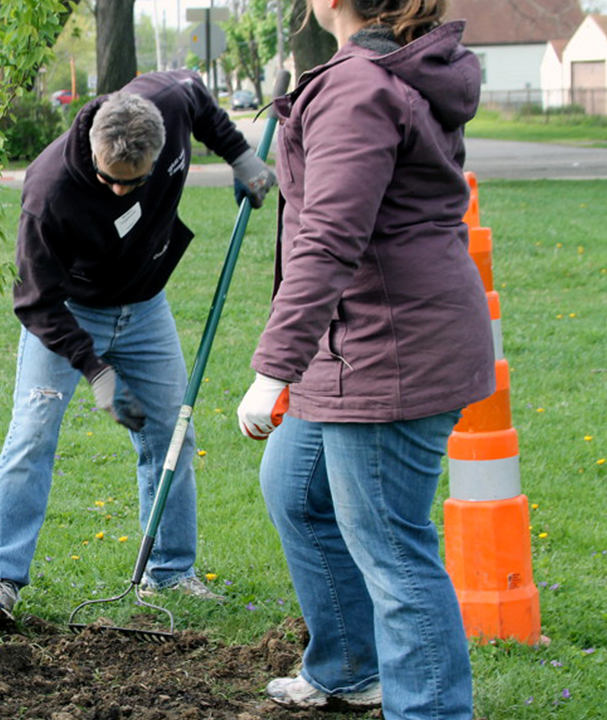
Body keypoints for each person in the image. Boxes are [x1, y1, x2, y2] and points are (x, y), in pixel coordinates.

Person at [235, 2, 489, 718]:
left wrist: (273, 368)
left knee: (394, 555)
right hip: (365, 338)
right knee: (296, 490)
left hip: (388, 351)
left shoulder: (360, 86)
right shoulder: (388, 73)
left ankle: (429, 708)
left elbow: (331, 237)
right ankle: (349, 667)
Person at [0, 70, 276, 622]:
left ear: (160, 153)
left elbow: (202, 102)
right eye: (108, 179)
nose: (119, 191)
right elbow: (36, 303)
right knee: (33, 432)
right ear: (92, 150)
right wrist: (95, 371)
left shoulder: (169, 102)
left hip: (145, 306)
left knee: (173, 435)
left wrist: (240, 156)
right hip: (68, 312)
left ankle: (170, 573)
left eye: (132, 183)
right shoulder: (50, 192)